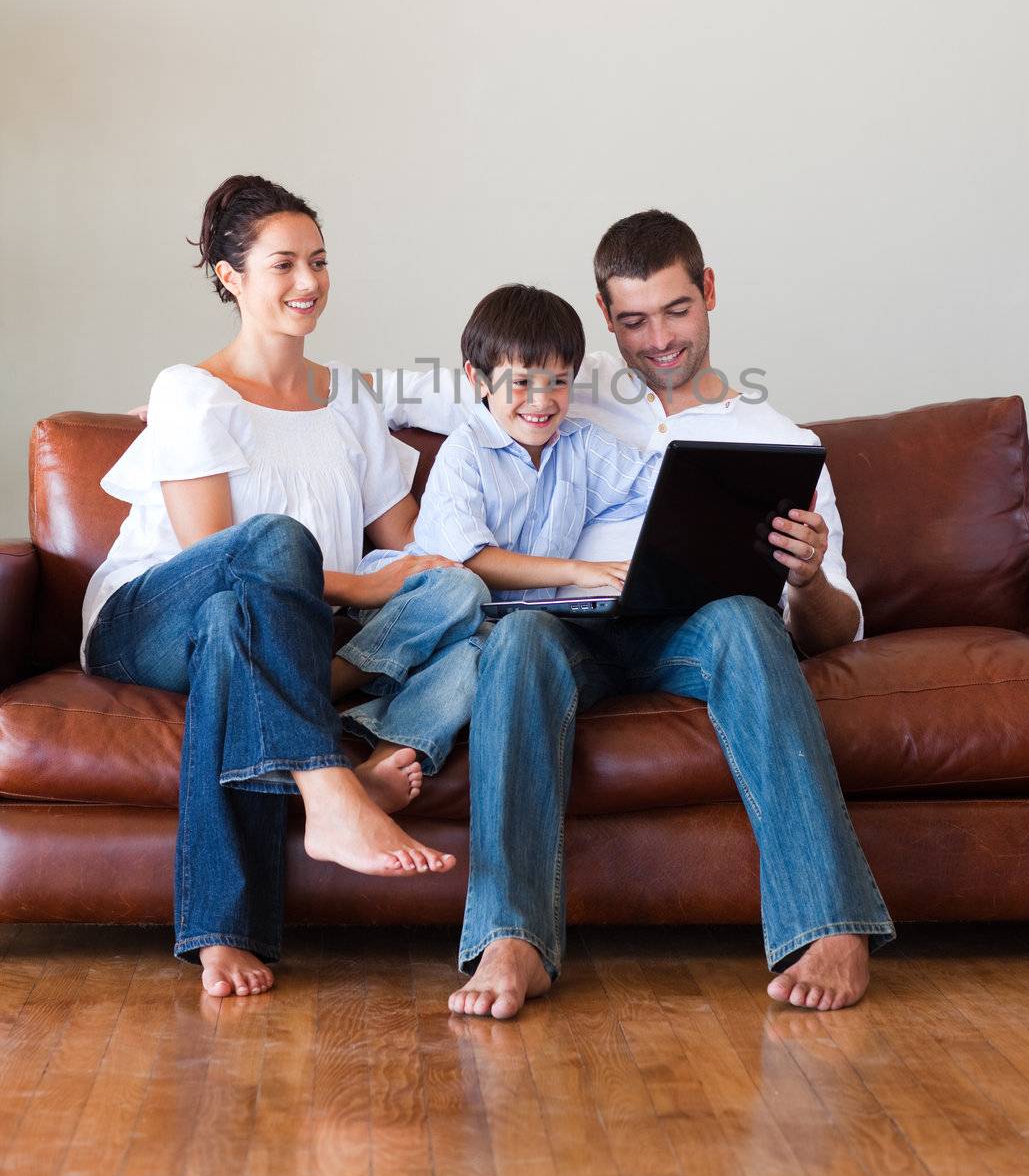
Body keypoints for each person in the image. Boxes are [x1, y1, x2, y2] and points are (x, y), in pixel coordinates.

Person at [383, 210, 896, 1018]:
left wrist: (803, 578)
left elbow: (836, 630)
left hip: (698, 631)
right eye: (631, 320)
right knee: (514, 637)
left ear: (709, 292)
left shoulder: (776, 438)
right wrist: (238, 403)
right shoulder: (558, 392)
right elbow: (405, 392)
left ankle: (829, 924)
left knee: (745, 617)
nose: (657, 339)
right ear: (602, 315)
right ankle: (511, 937)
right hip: (568, 631)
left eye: (676, 310)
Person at [83, 174, 489, 998]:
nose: (308, 283)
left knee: (459, 598)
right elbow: (216, 557)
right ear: (230, 278)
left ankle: (223, 935)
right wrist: (373, 592)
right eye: (282, 265)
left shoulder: (349, 399)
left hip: (266, 631)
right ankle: (329, 784)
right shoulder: (189, 391)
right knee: (265, 551)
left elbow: (406, 549)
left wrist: (423, 573)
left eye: (319, 261)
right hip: (150, 616)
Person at [339, 283, 659, 773]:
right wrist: (579, 571)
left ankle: (387, 759)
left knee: (477, 655)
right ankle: (337, 675)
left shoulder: (582, 445)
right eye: (522, 382)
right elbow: (469, 561)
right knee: (460, 589)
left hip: (489, 629)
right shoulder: (465, 450)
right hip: (420, 607)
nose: (541, 400)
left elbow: (655, 484)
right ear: (479, 380)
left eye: (558, 381)